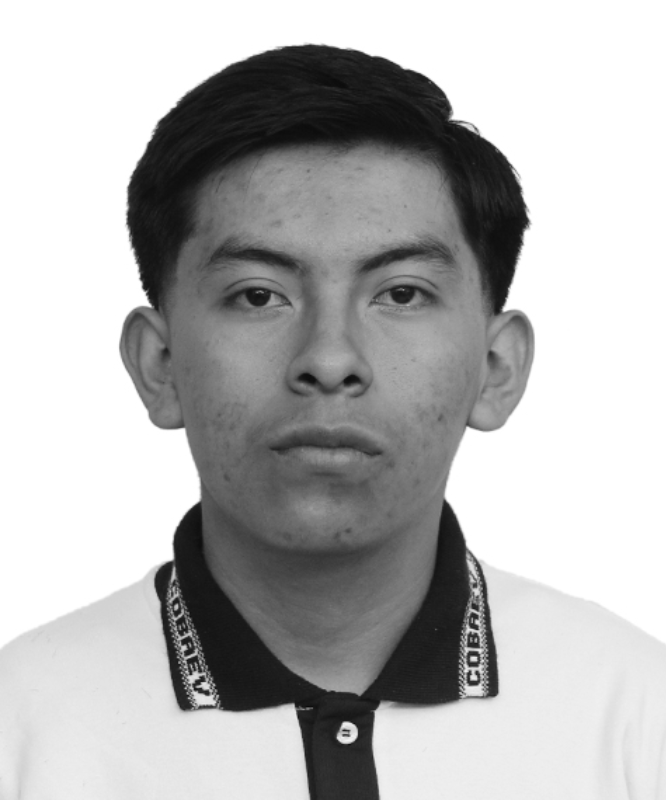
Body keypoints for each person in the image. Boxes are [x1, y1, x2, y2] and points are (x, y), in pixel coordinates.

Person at [0, 43, 664, 800]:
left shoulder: (636, 720)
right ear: (160, 364)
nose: (328, 359)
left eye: (402, 293)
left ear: (497, 366)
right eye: (258, 295)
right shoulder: (21, 733)